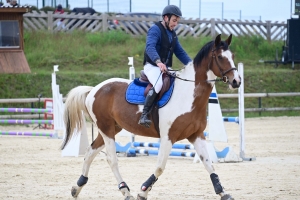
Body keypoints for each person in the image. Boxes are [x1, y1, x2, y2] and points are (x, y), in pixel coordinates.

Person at [138, 5, 192, 128]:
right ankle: (144, 115)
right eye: (174, 21)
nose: (175, 24)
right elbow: (150, 47)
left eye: (177, 21)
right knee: (158, 84)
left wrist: (192, 65)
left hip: (164, 68)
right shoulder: (155, 30)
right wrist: (158, 61)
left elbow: (180, 52)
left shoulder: (173, 34)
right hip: (152, 66)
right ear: (166, 18)